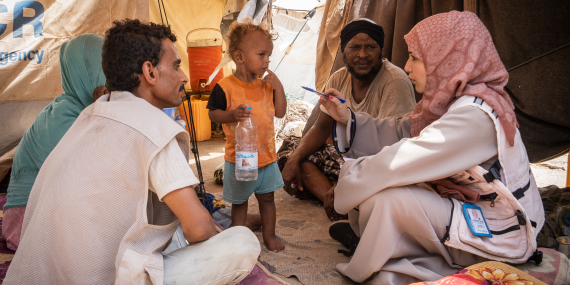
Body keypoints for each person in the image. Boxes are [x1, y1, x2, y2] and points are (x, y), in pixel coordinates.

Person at [5, 20, 260, 284]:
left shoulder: (90, 114)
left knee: (169, 229)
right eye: (176, 66)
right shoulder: (153, 127)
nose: (184, 77)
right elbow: (199, 228)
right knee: (242, 241)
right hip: (99, 278)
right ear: (149, 72)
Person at [320, 11, 544, 284]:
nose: (407, 66)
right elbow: (402, 132)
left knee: (386, 198)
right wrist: (348, 118)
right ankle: (384, 245)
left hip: (501, 228)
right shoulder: (453, 102)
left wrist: (348, 179)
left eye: (415, 57)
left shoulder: (475, 116)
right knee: (377, 186)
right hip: (470, 205)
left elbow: (404, 159)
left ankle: (378, 259)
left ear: (447, 58)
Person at [278, 19, 416, 220]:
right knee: (291, 151)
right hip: (346, 159)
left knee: (387, 189)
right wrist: (294, 159)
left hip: (376, 164)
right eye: (354, 47)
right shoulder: (338, 78)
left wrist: (350, 178)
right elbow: (321, 127)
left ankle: (343, 199)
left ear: (381, 50)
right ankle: (338, 201)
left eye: (370, 47)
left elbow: (395, 150)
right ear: (343, 50)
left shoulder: (395, 80)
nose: (362, 54)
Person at [2, 34, 108, 252]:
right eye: (103, 70)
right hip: (27, 222)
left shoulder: (77, 107)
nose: (110, 81)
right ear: (86, 73)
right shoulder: (64, 117)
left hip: (42, 213)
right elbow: (94, 173)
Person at [207, 20, 287, 253]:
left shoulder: (267, 86)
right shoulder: (225, 87)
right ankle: (238, 235)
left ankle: (269, 235)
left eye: (269, 55)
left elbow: (280, 112)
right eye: (261, 54)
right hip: (240, 157)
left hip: (267, 158)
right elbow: (213, 114)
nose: (267, 60)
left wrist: (279, 88)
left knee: (268, 199)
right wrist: (232, 114)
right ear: (240, 57)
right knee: (240, 202)